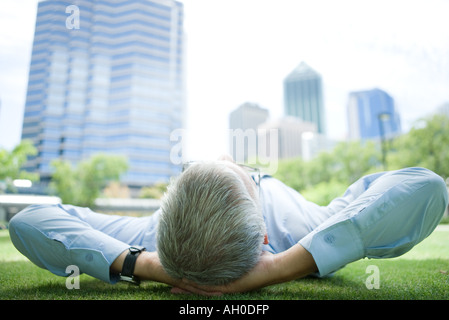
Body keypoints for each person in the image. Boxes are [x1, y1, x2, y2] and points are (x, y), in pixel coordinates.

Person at [8, 155, 448, 295]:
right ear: (264, 238)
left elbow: (28, 222)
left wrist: (140, 263)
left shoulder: (144, 237)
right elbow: (425, 186)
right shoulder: (306, 229)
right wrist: (279, 267)